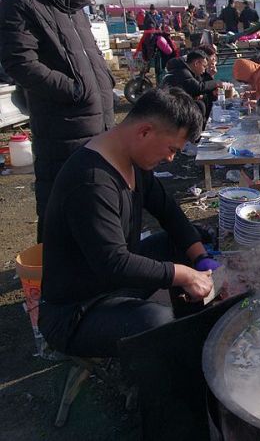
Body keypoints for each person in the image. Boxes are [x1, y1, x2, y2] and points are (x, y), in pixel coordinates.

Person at [38, 89, 218, 358]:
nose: (171, 159)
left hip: (112, 283)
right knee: (157, 323)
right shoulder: (91, 182)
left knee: (185, 243)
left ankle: (194, 327)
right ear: (145, 131)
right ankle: (169, 352)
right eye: (171, 149)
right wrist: (185, 274)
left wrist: (200, 257)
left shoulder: (132, 160)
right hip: (77, 311)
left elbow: (168, 211)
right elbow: (114, 263)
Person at [0, 0, 116, 242]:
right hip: (62, 129)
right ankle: (56, 287)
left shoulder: (73, 7)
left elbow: (90, 58)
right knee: (62, 211)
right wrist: (75, 90)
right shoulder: (20, 4)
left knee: (95, 208)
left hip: (99, 126)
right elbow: (19, 63)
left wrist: (104, 84)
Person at [161, 50, 222, 126]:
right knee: (200, 105)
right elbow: (199, 88)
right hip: (172, 108)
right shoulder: (183, 72)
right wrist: (217, 83)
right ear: (196, 63)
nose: (204, 70)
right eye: (204, 66)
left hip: (177, 103)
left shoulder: (185, 70)